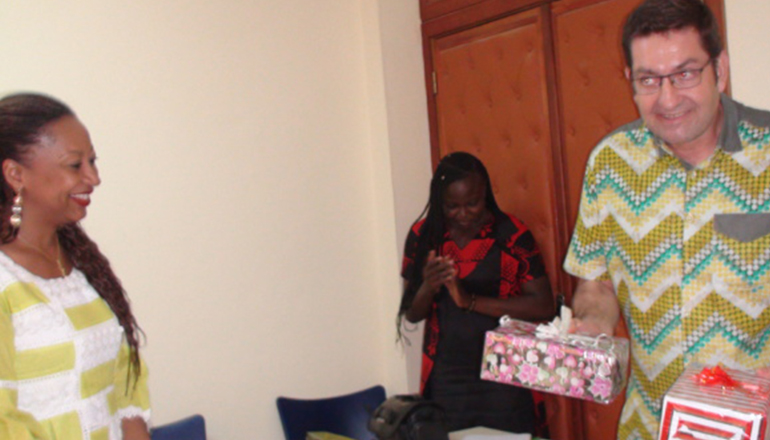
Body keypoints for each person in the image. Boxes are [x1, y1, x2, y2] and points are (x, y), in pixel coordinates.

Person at [563, 1, 770, 439]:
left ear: (720, 69)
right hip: (649, 426)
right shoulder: (609, 165)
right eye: (649, 80)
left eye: (685, 74)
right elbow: (596, 284)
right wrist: (594, 325)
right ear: (630, 81)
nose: (669, 99)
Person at [0, 93, 151, 439]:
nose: (94, 178)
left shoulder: (82, 265)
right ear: (15, 173)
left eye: (93, 162)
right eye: (75, 165)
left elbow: (125, 387)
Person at [397, 151, 554, 434]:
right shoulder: (424, 236)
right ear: (439, 201)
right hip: (448, 376)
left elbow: (543, 305)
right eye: (452, 206)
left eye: (472, 203)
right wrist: (428, 286)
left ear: (486, 194)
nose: (463, 213)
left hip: (507, 368)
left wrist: (469, 301)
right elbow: (412, 314)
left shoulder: (511, 234)